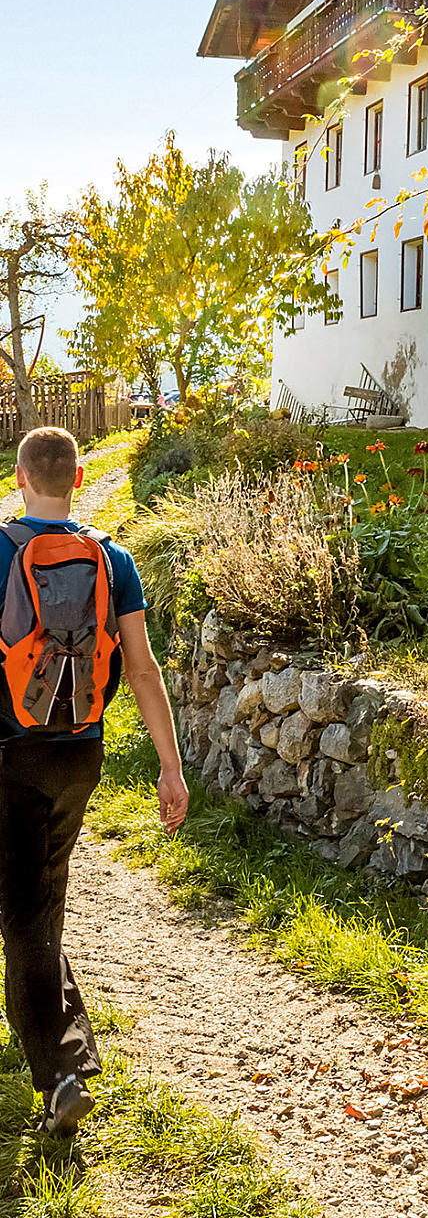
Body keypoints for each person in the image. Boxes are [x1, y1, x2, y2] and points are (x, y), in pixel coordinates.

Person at [0, 427, 189, 1136]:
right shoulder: (114, 558)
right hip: (80, 753)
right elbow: (141, 668)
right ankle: (67, 1055)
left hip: (10, 754)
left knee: (23, 921)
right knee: (38, 903)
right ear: (78, 477)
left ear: (20, 477)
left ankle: (59, 1078)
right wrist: (170, 766)